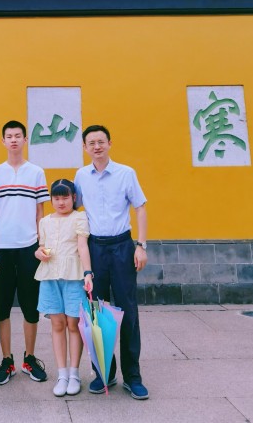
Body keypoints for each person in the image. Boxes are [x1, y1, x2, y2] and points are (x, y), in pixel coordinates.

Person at [74, 124, 149, 400]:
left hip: (122, 247)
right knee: (97, 313)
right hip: (95, 248)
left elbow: (140, 207)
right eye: (91, 143)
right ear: (85, 147)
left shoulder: (126, 173)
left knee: (128, 311)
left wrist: (140, 246)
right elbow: (74, 210)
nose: (97, 146)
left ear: (109, 143)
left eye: (101, 141)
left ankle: (133, 376)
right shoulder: (81, 176)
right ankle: (104, 373)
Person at [0, 120, 51, 385]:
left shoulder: (36, 172)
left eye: (17, 136)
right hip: (1, 247)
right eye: (9, 136)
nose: (13, 140)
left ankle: (29, 358)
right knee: (2, 306)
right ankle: (7, 360)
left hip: (29, 247)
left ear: (25, 140)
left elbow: (40, 212)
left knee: (30, 305)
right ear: (2, 141)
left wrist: (41, 244)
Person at [34, 179, 93, 397]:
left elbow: (82, 246)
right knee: (57, 324)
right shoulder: (45, 221)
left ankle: (74, 374)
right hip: (50, 276)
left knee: (73, 324)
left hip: (73, 277)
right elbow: (42, 247)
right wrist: (38, 253)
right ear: (51, 199)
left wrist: (88, 273)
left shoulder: (79, 217)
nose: (61, 202)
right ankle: (62, 375)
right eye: (56, 198)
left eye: (65, 197)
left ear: (73, 198)